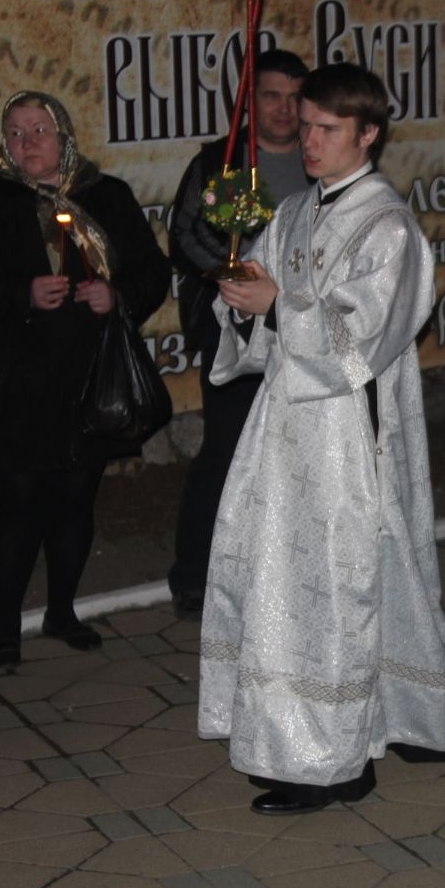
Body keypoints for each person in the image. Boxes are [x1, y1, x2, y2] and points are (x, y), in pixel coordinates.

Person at [196, 63, 445, 816]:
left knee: (334, 583)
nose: (309, 140)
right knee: (325, 576)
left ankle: (333, 761)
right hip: (285, 430)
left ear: (368, 134)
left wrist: (278, 306)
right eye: (305, 126)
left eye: (327, 128)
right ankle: (425, 720)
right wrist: (240, 298)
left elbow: (365, 337)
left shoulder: (389, 226)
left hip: (351, 435)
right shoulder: (293, 211)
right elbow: (263, 310)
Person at [0, 91, 171, 667]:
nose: (27, 142)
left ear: (63, 134)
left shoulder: (105, 195)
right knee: (19, 501)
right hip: (13, 382)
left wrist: (116, 295)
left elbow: (150, 269)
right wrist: (21, 294)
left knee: (75, 497)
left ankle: (62, 611)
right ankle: (5, 627)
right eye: (16, 132)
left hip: (88, 378)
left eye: (39, 130)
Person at [167, 48, 310, 618]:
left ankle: (283, 573)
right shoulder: (221, 160)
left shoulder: (319, 158)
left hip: (301, 327)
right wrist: (239, 274)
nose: (284, 109)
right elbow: (183, 235)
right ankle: (195, 578)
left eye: (295, 98)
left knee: (298, 455)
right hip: (233, 329)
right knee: (227, 451)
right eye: (272, 96)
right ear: (249, 102)